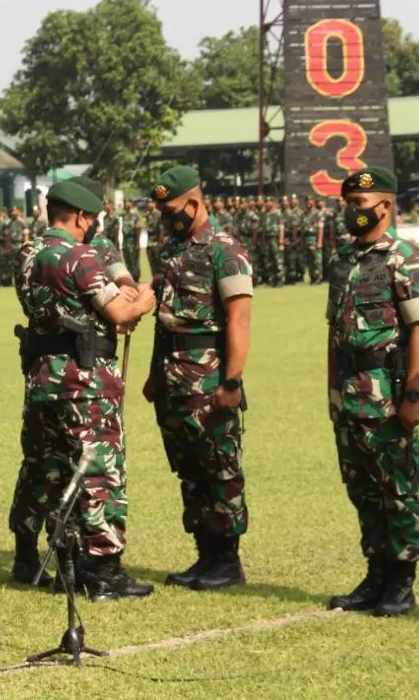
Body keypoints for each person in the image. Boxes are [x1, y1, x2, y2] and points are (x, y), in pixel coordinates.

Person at [10, 180, 156, 600]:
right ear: (78, 216)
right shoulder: (80, 257)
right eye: (90, 218)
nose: (91, 225)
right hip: (85, 382)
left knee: (56, 474)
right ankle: (104, 572)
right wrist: (145, 299)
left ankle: (68, 567)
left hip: (44, 379)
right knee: (99, 474)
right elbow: (120, 311)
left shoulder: (27, 255)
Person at [325, 167, 419, 617]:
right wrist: (332, 389)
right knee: (363, 488)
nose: (351, 211)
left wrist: (415, 394)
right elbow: (333, 331)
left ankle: (402, 580)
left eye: (359, 204)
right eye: (348, 204)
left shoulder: (405, 258)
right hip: (349, 391)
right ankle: (375, 573)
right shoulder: (342, 259)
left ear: (385, 206)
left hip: (387, 391)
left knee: (397, 488)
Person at [143, 166, 254, 591]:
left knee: (219, 468)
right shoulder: (171, 250)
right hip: (173, 379)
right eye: (161, 212)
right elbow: (163, 321)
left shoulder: (226, 250)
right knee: (189, 469)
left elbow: (239, 320)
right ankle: (205, 554)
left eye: (171, 210)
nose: (166, 218)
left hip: (208, 380)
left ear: (193, 202)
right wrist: (154, 373)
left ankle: (227, 560)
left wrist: (232, 381)